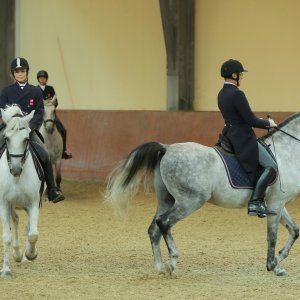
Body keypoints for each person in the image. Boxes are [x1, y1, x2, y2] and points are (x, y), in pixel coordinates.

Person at [218, 59, 278, 218]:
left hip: (229, 134)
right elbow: (250, 120)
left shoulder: (221, 93)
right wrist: (268, 123)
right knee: (271, 167)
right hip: (242, 138)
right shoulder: (237, 94)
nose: (242, 78)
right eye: (241, 74)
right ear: (234, 75)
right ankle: (255, 202)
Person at [0, 57, 64, 203]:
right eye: (17, 71)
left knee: (45, 155)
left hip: (29, 130)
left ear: (27, 72)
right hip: (9, 129)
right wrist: (9, 120)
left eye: (22, 71)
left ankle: (52, 190)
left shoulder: (35, 91)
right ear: (13, 74)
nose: (20, 74)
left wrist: (30, 127)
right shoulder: (6, 91)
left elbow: (40, 112)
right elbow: (1, 109)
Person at [37, 70, 72, 159]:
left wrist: (51, 104)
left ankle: (63, 151)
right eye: (41, 78)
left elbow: (56, 102)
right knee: (31, 130)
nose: (42, 79)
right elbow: (33, 103)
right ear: (38, 79)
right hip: (40, 115)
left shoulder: (50, 89)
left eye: (44, 78)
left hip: (51, 115)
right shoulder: (35, 89)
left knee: (63, 130)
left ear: (46, 79)